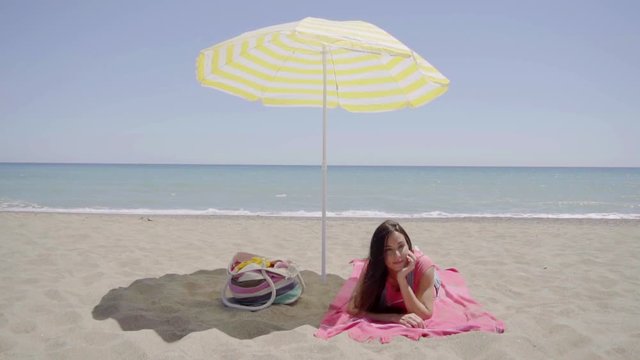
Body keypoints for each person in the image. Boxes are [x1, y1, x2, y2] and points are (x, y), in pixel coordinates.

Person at [347, 220, 441, 328]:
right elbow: (352, 308)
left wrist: (402, 280)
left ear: (408, 244)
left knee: (431, 271)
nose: (397, 255)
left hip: (420, 274)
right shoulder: (373, 267)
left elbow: (424, 314)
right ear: (379, 253)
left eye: (401, 246)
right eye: (388, 250)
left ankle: (416, 252)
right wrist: (394, 317)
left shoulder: (423, 264)